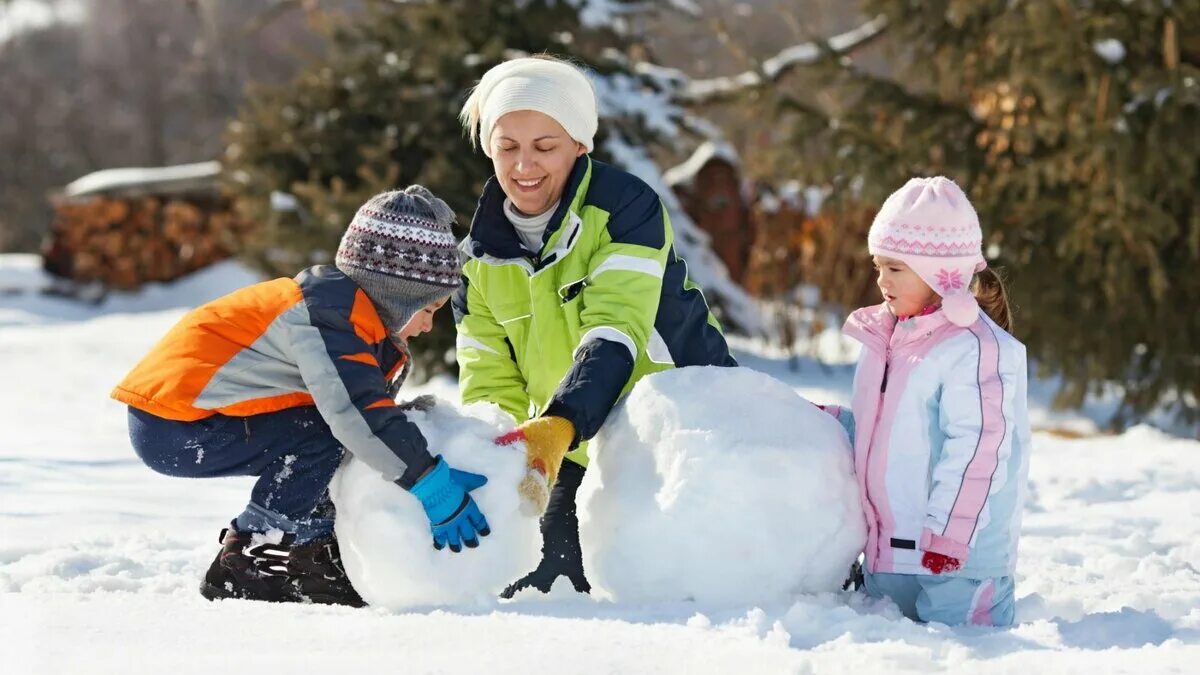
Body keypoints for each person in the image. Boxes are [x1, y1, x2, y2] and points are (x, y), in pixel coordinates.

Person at [111, 186, 491, 607]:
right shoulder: (326, 318)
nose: (426, 328)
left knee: (327, 435)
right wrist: (430, 482)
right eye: (430, 310)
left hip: (191, 416)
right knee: (328, 433)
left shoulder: (348, 316)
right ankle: (252, 555)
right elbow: (357, 416)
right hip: (176, 423)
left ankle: (309, 558)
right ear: (396, 293)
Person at [454, 55, 737, 597]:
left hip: (681, 428)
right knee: (540, 581)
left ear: (580, 145)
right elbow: (488, 381)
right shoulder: (476, 260)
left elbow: (615, 331)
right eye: (507, 146)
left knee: (688, 576)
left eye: (544, 146)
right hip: (570, 446)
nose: (523, 166)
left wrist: (560, 424)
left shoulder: (627, 209)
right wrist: (502, 456)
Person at [822, 177, 1031, 626]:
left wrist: (951, 537)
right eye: (878, 266)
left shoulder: (974, 349)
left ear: (941, 273)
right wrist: (825, 425)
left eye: (895, 269)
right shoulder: (886, 339)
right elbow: (885, 430)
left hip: (958, 564)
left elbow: (980, 446)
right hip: (890, 556)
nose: (881, 280)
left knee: (967, 661)